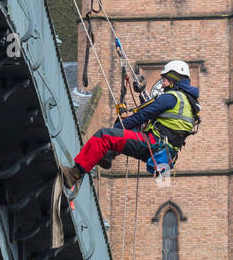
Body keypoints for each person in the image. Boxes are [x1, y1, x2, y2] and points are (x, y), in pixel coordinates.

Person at [61, 60, 200, 192]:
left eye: (164, 81)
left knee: (105, 135)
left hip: (152, 144)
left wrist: (119, 127)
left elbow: (144, 114)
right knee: (130, 131)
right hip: (164, 150)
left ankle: (74, 174)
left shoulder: (171, 97)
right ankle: (107, 156)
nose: (162, 85)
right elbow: (160, 114)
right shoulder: (190, 104)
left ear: (173, 79)